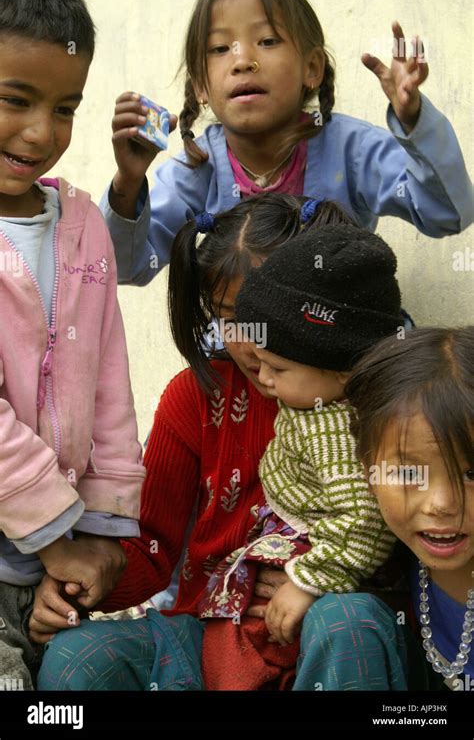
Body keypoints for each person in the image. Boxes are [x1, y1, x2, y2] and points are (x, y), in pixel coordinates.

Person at [36, 194, 390, 691]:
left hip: (325, 625)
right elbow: (153, 548)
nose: (248, 342)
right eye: (229, 316)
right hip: (210, 633)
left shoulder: (376, 399)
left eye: (262, 315)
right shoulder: (197, 398)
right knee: (78, 659)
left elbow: (389, 530)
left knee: (347, 623)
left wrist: (317, 581)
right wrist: (79, 584)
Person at [101, 0, 472, 287]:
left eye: (267, 41)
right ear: (200, 84)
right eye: (219, 48)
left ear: (312, 68)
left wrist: (415, 121)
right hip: (241, 359)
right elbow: (126, 266)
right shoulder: (197, 168)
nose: (244, 60)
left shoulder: (352, 150)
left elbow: (449, 213)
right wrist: (128, 182)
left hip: (342, 358)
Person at [0, 0, 144, 689]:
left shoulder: (83, 225)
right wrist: (60, 538)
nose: (39, 133)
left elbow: (110, 383)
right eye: (14, 98)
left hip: (52, 571)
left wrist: (98, 539)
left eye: (65, 109)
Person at [197, 212, 403, 689]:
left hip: (318, 550)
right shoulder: (314, 399)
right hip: (301, 545)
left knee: (239, 644)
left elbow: (363, 517)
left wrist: (310, 580)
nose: (261, 376)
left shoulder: (330, 426)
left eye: (278, 369)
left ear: (344, 372)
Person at [292, 326, 474, 691]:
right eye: (408, 472)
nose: (441, 504)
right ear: (368, 472)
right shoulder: (374, 568)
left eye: (471, 473)